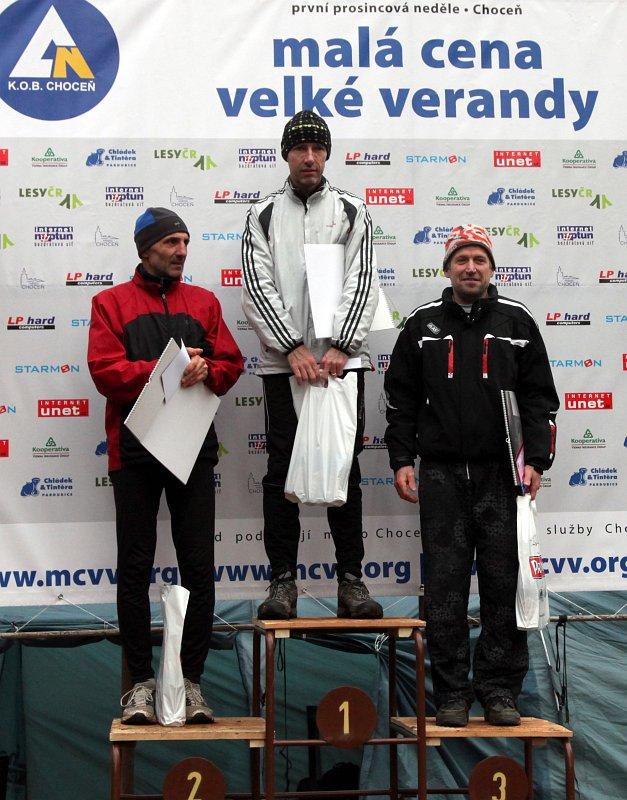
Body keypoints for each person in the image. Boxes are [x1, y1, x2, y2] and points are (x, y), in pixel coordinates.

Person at [384, 224, 558, 727]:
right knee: (445, 588)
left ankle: (500, 692)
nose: (471, 267)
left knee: (503, 585)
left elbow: (540, 399)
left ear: (492, 268)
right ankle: (452, 695)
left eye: (479, 259)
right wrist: (401, 460)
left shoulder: (517, 321)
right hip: (441, 475)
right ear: (447, 268)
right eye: (461, 259)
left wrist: (536, 460)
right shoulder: (422, 325)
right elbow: (399, 400)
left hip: (502, 475)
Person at [88, 208, 244, 724]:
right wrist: (169, 371)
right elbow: (105, 371)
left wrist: (207, 368)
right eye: (172, 242)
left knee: (198, 565)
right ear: (145, 248)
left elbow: (231, 363)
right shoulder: (110, 302)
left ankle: (191, 682)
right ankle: (140, 683)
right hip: (133, 451)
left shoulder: (204, 302)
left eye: (186, 242)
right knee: (135, 567)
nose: (181, 251)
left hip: (193, 449)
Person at [241, 110, 382, 620]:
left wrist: (341, 345)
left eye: (317, 148)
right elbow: (256, 285)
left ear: (327, 154)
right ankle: (283, 583)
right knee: (282, 472)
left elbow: (362, 278)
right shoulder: (261, 214)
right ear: (286, 154)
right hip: (286, 367)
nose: (309, 157)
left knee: (346, 470)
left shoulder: (352, 210)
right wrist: (292, 347)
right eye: (299, 148)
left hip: (342, 364)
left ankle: (352, 582)